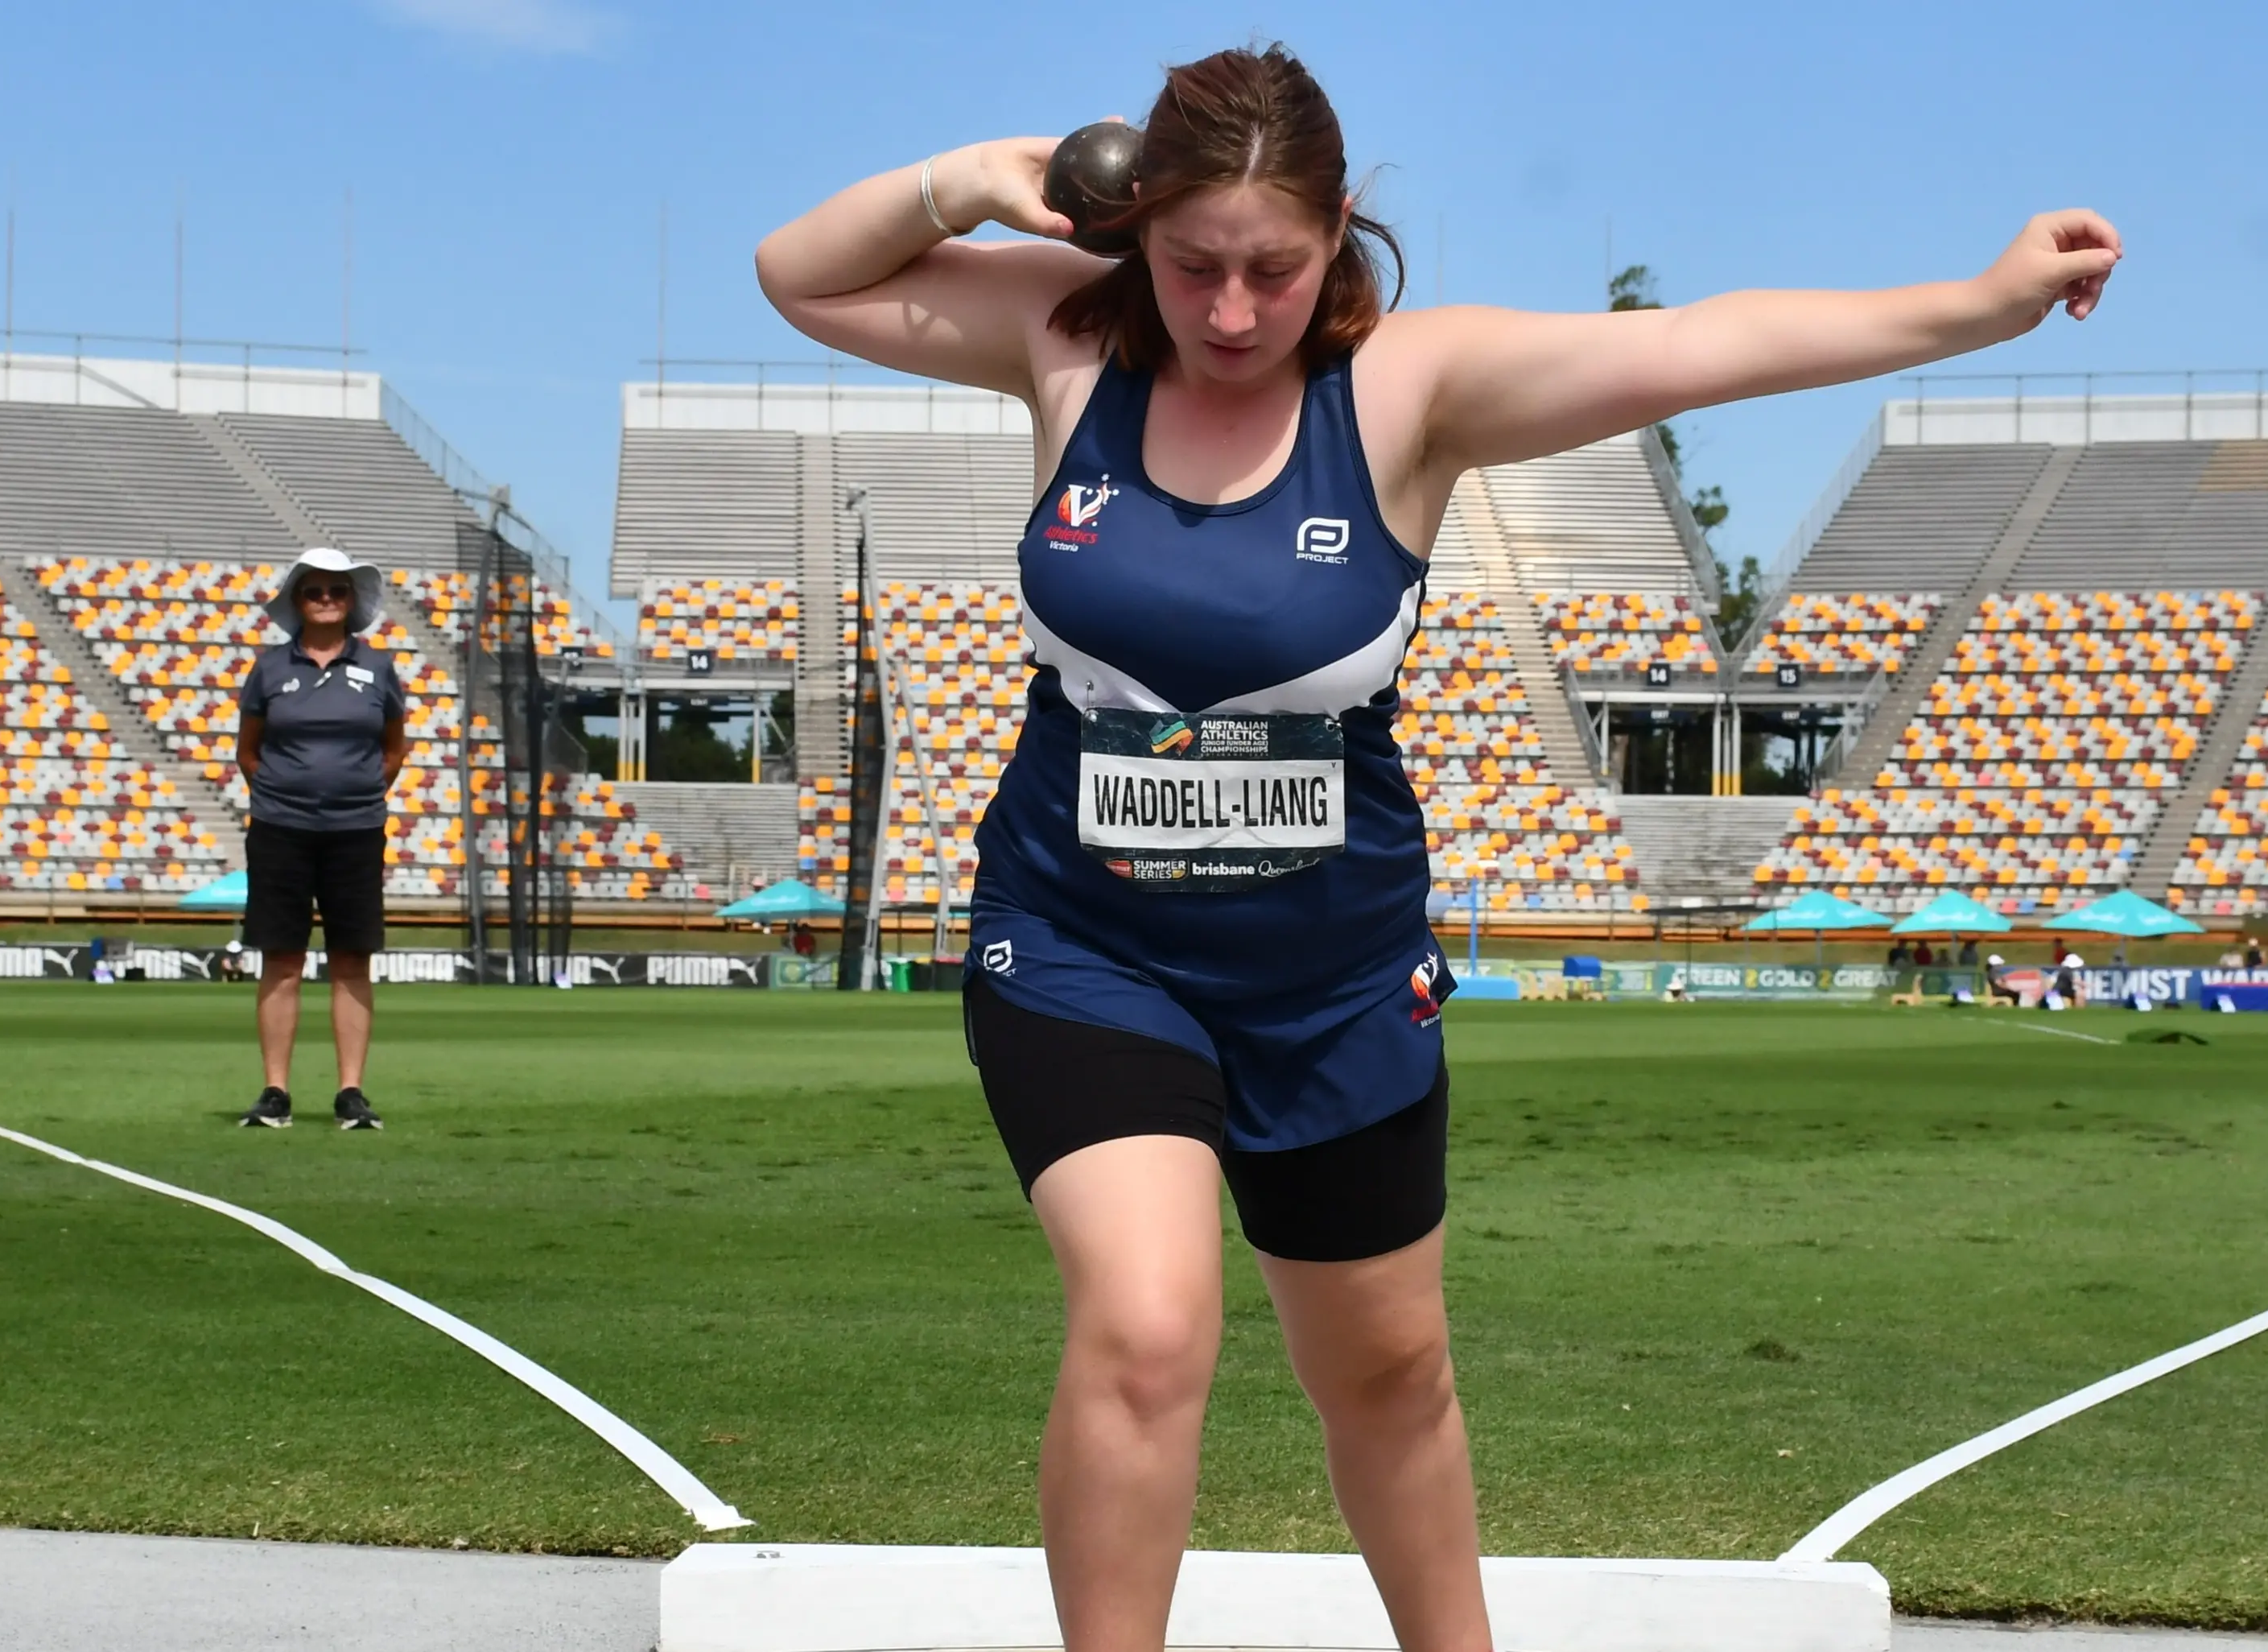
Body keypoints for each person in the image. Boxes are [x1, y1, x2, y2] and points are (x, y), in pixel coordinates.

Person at [754, 43, 2120, 1652]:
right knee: (1145, 1328)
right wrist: (979, 178)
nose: (1236, 309)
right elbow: (800, 277)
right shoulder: (1065, 337)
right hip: (1083, 943)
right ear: (1137, 236)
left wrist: (1981, 302)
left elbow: (1703, 346)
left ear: (1340, 233)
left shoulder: (1410, 387)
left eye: (1277, 266)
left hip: (1332, 973)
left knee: (1388, 1375)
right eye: (1195, 264)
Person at [233, 548, 406, 1130]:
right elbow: (248, 751)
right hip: (281, 829)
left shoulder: (379, 668)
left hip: (356, 831)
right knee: (281, 958)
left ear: (352, 601)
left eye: (338, 590)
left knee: (351, 958)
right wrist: (287, 796)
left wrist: (354, 796)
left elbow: (393, 748)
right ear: (297, 601)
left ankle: (351, 1092)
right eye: (315, 591)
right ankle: (275, 1091)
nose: (327, 599)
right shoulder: (270, 668)